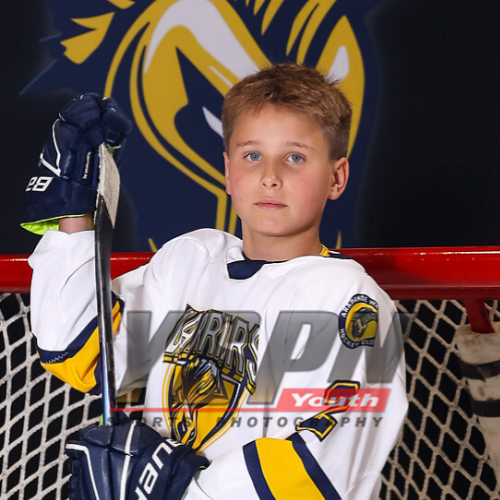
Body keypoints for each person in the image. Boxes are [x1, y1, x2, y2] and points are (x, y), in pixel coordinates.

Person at [24, 63, 408, 499]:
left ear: (336, 177)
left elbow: (321, 467)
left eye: (295, 157)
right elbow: (78, 352)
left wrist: (172, 489)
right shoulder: (192, 260)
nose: (270, 176)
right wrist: (74, 216)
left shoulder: (349, 299)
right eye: (252, 155)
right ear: (228, 170)